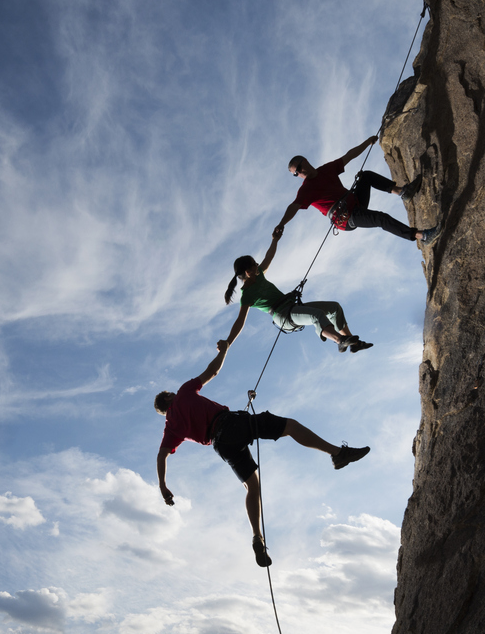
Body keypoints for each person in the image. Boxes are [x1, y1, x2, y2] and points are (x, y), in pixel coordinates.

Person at [154, 340, 369, 567]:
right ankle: (337, 453)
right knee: (290, 427)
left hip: (221, 445)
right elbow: (213, 371)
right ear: (168, 398)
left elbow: (161, 455)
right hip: (229, 424)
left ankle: (257, 537)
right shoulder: (183, 393)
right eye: (170, 393)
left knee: (252, 486)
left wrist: (163, 486)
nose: (173, 393)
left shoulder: (171, 428)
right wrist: (224, 350)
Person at [223, 223, 372, 353]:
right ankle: (340, 341)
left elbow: (269, 257)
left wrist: (274, 240)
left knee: (334, 308)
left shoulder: (259, 274)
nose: (258, 264)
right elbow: (240, 322)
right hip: (282, 316)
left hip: (291, 307)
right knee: (317, 315)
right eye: (255, 264)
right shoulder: (247, 295)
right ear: (248, 273)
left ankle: (353, 344)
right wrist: (228, 343)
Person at [281, 136, 440, 244]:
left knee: (366, 176)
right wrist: (282, 224)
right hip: (347, 217)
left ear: (305, 161)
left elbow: (348, 156)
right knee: (380, 218)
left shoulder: (325, 170)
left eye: (299, 168)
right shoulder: (306, 190)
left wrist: (367, 143)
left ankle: (403, 192)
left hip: (355, 202)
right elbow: (293, 207)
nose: (299, 173)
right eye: (296, 174)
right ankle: (422, 236)